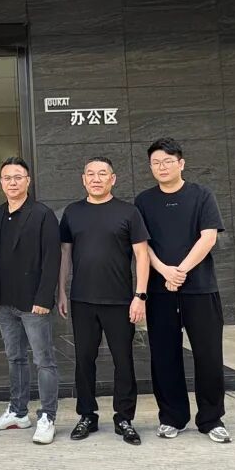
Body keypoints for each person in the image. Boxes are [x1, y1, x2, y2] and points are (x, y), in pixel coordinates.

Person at [134, 137, 231, 444]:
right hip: (160, 290)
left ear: (181, 163)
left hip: (200, 288)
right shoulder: (144, 201)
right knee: (165, 356)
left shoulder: (201, 195)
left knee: (208, 355)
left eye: (167, 161)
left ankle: (211, 419)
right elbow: (142, 245)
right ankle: (171, 417)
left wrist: (181, 271)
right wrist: (165, 271)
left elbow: (208, 237)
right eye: (156, 163)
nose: (162, 167)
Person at [57, 157, 150, 446]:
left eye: (102, 174)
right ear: (83, 179)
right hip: (82, 300)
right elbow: (65, 255)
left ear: (113, 178)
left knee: (123, 360)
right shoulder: (72, 212)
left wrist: (140, 296)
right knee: (84, 360)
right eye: (90, 174)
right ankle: (87, 415)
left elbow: (142, 255)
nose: (96, 179)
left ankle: (124, 418)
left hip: (120, 301)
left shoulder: (129, 212)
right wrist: (61, 291)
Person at [0, 157, 62, 444]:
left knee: (44, 360)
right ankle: (18, 412)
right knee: (14, 357)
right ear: (1, 182)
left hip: (33, 302)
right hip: (5, 301)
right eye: (7, 178)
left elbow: (52, 258)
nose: (12, 182)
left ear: (28, 181)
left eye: (18, 177)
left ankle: (47, 416)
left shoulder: (42, 214)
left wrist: (44, 297)